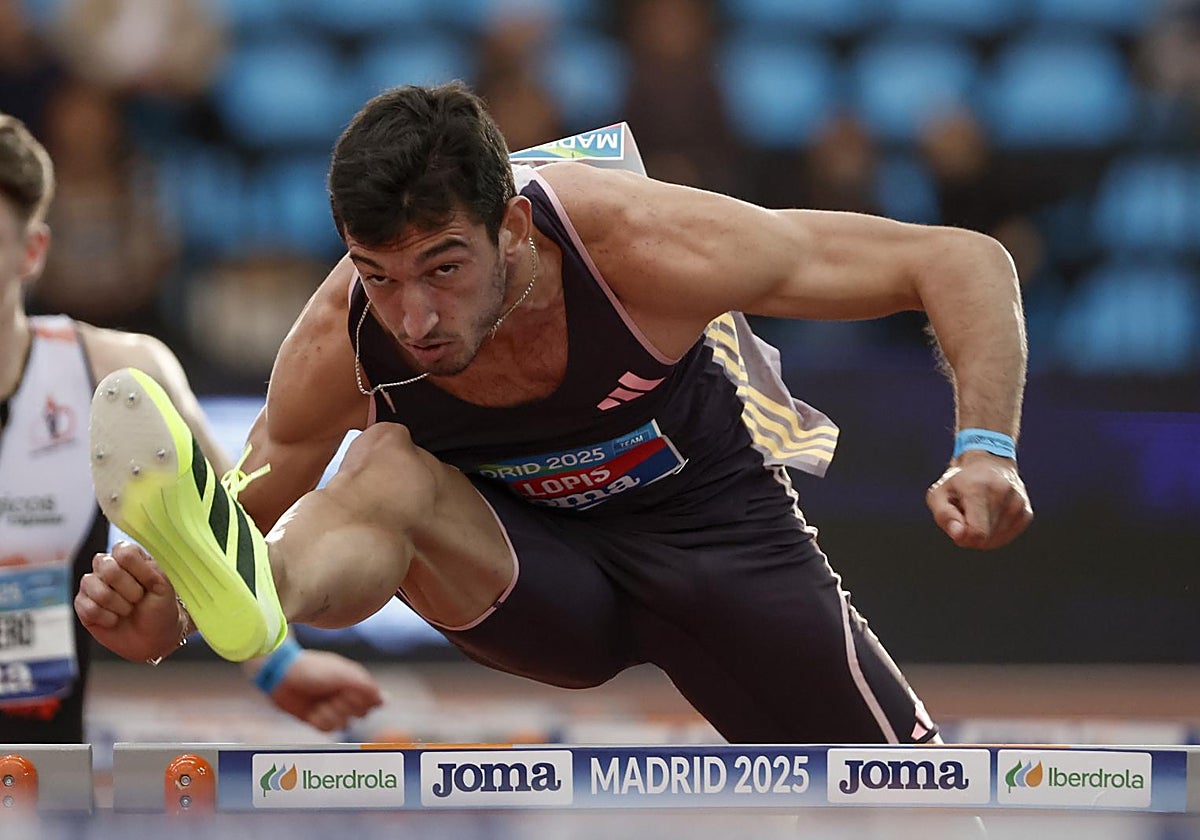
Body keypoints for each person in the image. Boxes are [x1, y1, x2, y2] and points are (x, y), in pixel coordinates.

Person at [78, 83, 1033, 744]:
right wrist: (170, 610)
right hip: (535, 579)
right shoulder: (346, 332)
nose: (412, 317)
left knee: (919, 807)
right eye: (379, 275)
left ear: (514, 227)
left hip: (718, 545)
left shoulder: (637, 246)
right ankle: (261, 594)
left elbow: (958, 261)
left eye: (444, 268)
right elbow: (265, 474)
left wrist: (985, 448)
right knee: (379, 469)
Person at [0, 113, 382, 742]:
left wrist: (279, 666)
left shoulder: (118, 373)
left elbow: (223, 536)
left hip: (42, 766)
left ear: (33, 252)